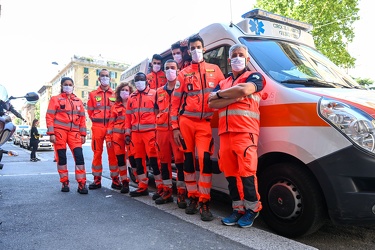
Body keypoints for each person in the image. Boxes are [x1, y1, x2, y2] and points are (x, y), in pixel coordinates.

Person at [208, 44, 265, 228]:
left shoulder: (255, 77)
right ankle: (238, 209)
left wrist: (222, 96)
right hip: (225, 134)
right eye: (234, 55)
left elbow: (244, 90)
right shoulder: (223, 82)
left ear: (247, 59)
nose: (238, 58)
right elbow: (211, 102)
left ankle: (252, 209)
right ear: (229, 59)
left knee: (247, 173)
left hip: (245, 133)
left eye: (241, 55)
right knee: (231, 174)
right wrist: (228, 96)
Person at [171, 34, 225, 221]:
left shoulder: (215, 70)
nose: (196, 50)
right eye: (192, 48)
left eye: (198, 47)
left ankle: (204, 201)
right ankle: (192, 197)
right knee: (188, 161)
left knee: (205, 163)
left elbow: (224, 92)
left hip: (204, 125)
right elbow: (175, 102)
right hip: (186, 123)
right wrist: (175, 127)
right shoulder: (183, 73)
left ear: (204, 48)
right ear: (189, 51)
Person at [46, 77, 88, 194]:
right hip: (59, 132)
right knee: (61, 157)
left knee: (79, 157)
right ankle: (64, 182)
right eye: (66, 84)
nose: (68, 86)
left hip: (74, 133)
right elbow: (49, 116)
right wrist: (51, 133)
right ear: (62, 86)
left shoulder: (78, 101)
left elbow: (82, 119)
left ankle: (82, 183)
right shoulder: (55, 99)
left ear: (73, 86)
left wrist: (83, 134)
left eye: (70, 84)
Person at [154, 59, 186, 207]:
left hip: (177, 130)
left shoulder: (182, 89)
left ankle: (181, 193)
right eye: (167, 68)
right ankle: (167, 191)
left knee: (180, 162)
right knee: (164, 162)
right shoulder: (159, 91)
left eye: (172, 68)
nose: (169, 70)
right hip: (161, 131)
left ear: (178, 70)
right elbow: (156, 110)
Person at [125, 72, 161, 197]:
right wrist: (128, 133)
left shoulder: (154, 93)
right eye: (137, 80)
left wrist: (158, 130)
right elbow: (128, 117)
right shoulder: (131, 97)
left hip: (151, 132)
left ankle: (160, 187)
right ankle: (142, 186)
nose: (139, 82)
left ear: (146, 80)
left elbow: (158, 113)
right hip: (136, 134)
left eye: (141, 79)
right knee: (139, 161)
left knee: (154, 161)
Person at [87, 69, 121, 190]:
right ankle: (97, 180)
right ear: (99, 78)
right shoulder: (93, 94)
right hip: (98, 128)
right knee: (97, 154)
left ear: (110, 79)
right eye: (102, 76)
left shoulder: (115, 94)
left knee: (113, 154)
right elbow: (90, 112)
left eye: (107, 76)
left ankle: (115, 180)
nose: (105, 78)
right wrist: (98, 121)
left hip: (111, 128)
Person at [106, 82, 134, 194]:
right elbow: (110, 124)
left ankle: (141, 182)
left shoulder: (133, 104)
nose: (125, 92)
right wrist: (108, 139)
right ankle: (125, 182)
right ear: (118, 92)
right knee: (121, 161)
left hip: (130, 136)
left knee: (133, 159)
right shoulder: (115, 107)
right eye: (123, 90)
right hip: (117, 138)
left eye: (127, 90)